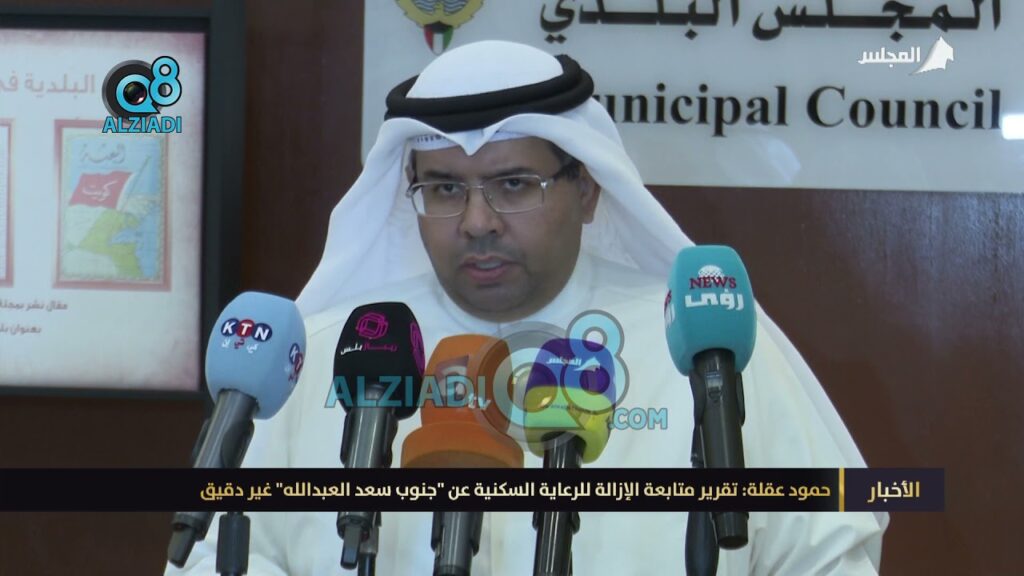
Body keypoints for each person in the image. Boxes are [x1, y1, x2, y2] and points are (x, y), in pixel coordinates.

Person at [166, 40, 887, 575]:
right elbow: (205, 558)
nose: (477, 221)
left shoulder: (703, 352)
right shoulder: (332, 352)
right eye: (445, 188)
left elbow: (828, 556)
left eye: (514, 184)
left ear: (588, 190)